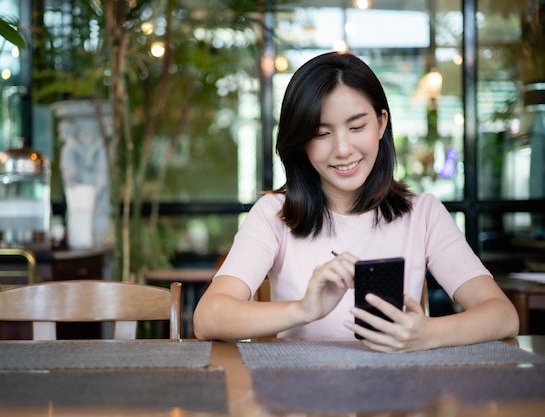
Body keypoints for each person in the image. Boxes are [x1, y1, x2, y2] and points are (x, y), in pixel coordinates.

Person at [192, 52, 519, 352]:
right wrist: (305, 309)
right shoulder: (273, 215)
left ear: (381, 123)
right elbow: (208, 318)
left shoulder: (423, 213)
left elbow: (503, 315)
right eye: (321, 134)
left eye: (357, 126)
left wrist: (427, 334)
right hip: (299, 396)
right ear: (301, 143)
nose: (343, 148)